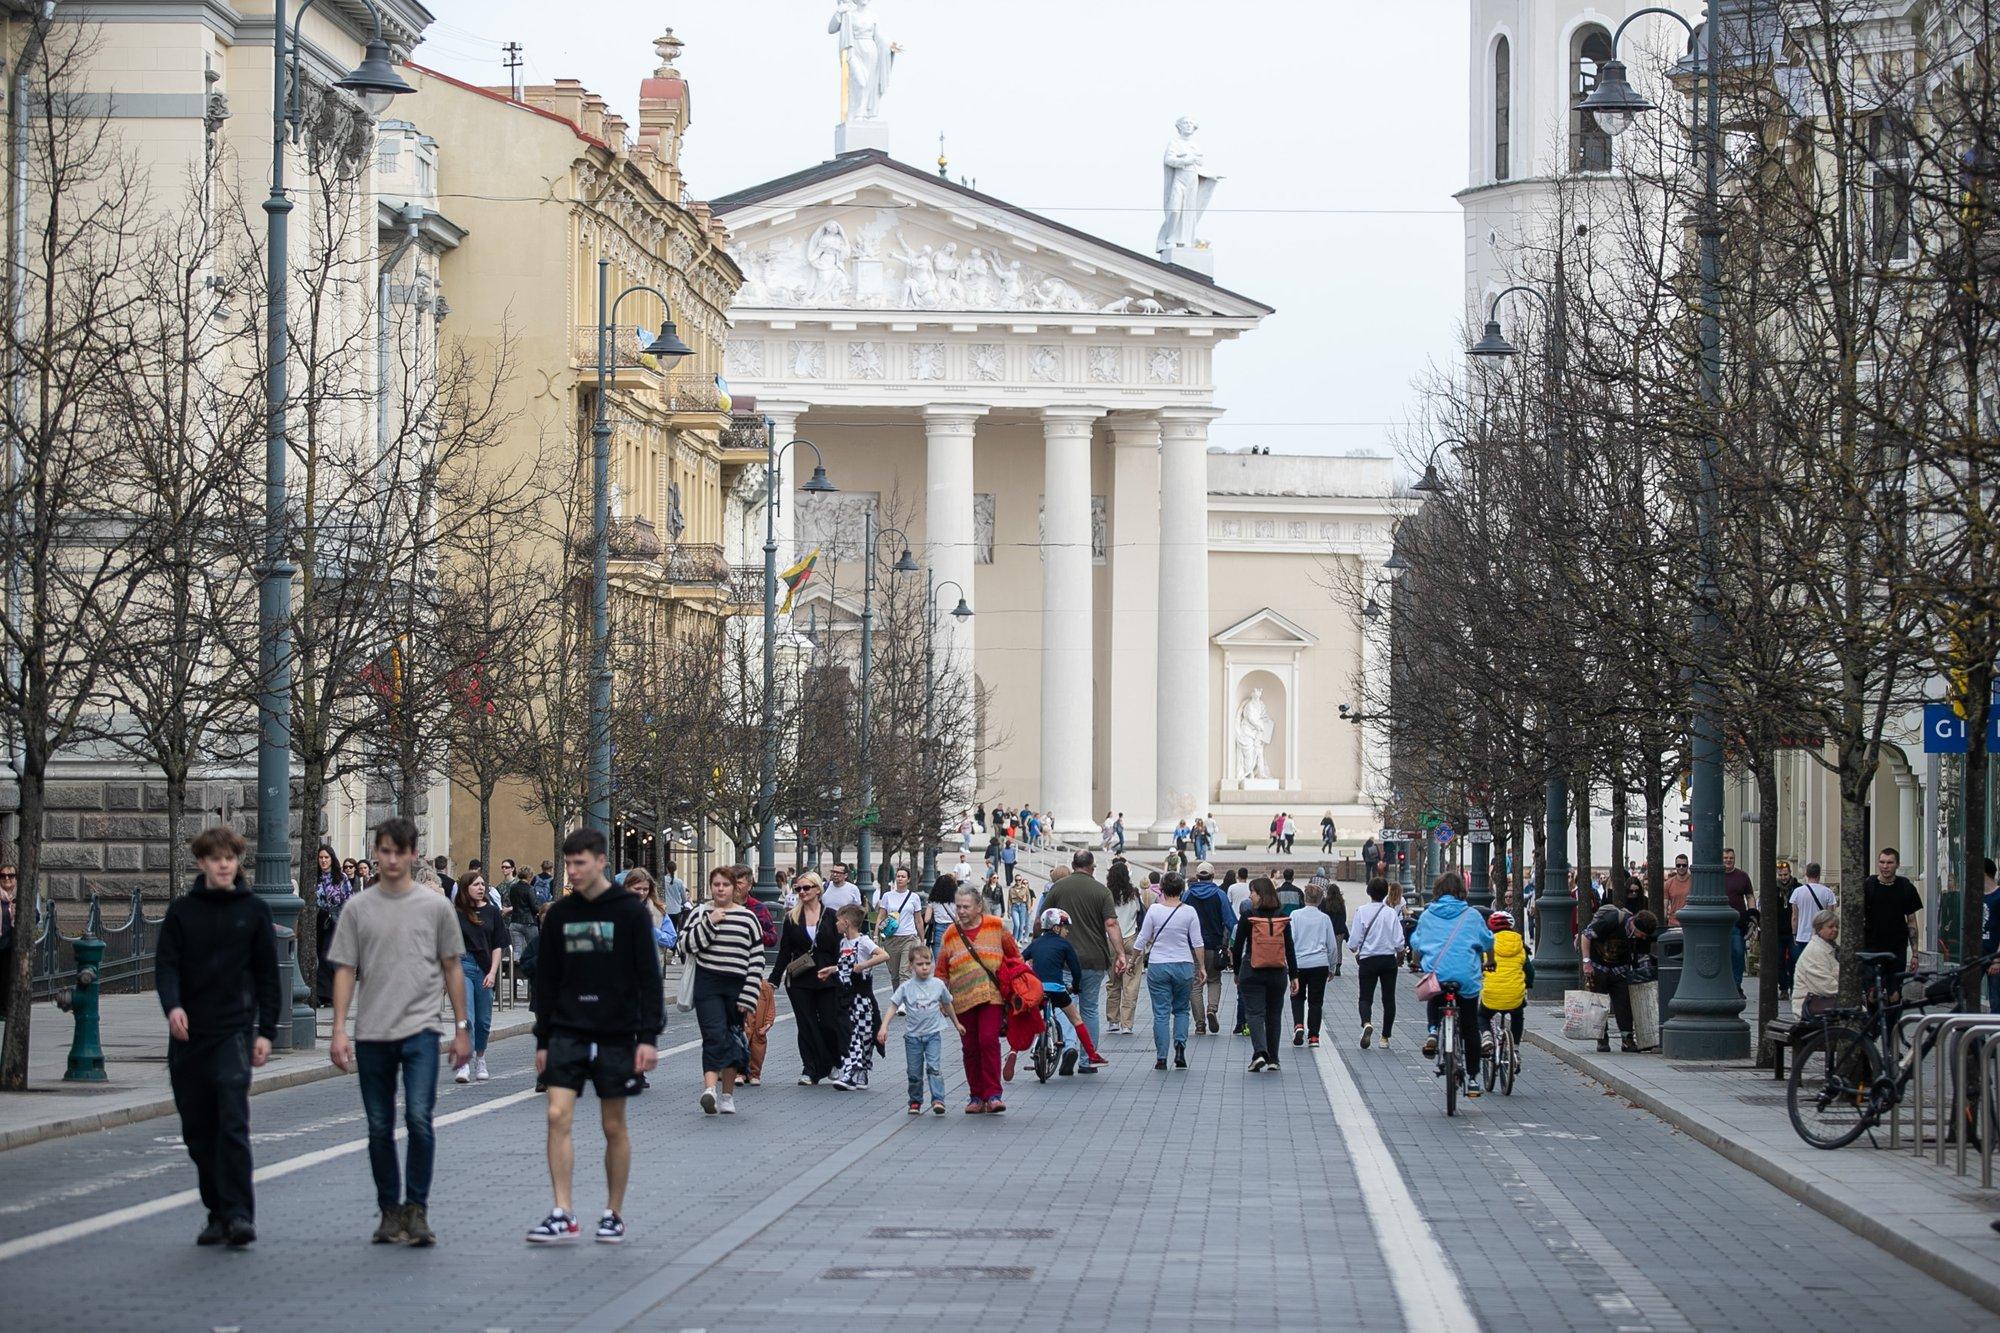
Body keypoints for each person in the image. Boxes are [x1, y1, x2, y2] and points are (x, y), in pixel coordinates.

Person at [327, 817, 470, 1247]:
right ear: (376, 852)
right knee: (378, 1124)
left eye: (398, 851)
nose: (390, 859)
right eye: (384, 851)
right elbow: (346, 970)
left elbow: (452, 967)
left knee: (419, 1119)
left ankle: (417, 1209)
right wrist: (338, 1029)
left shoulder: (436, 907)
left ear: (412, 855)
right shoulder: (357, 908)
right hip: (372, 1032)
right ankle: (389, 1210)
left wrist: (462, 1029)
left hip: (422, 1029)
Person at [525, 827, 662, 1245]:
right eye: (568, 863)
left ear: (601, 862)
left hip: (616, 1030)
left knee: (612, 1124)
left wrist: (648, 1037)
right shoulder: (561, 915)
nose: (573, 871)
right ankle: (562, 1211)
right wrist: (543, 1039)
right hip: (568, 1028)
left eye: (580, 863)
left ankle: (613, 1212)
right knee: (555, 1115)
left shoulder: (629, 911)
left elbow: (647, 977)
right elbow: (546, 980)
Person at [157, 826, 278, 1248]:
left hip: (234, 1031)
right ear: (202, 863)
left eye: (230, 857)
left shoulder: (254, 911)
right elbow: (167, 966)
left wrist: (267, 1031)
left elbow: (267, 975)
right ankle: (216, 1212)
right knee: (198, 1130)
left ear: (237, 862)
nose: (224, 864)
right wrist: (173, 1006)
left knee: (232, 1121)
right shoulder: (182, 913)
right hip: (190, 1035)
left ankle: (241, 1214)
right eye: (215, 858)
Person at [677, 867, 763, 1115]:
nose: (721, 889)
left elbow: (756, 959)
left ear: (735, 887)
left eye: (725, 884)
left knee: (731, 1037)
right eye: (716, 884)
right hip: (708, 982)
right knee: (713, 1035)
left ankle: (727, 1095)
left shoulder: (748, 918)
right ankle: (709, 1090)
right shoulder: (700, 913)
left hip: (736, 985)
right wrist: (710, 923)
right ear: (711, 888)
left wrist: (749, 995)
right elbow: (685, 945)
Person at [935, 884, 1024, 1113]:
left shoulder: (996, 926)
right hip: (962, 999)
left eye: (966, 907)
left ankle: (993, 1094)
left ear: (978, 907)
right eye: (958, 907)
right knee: (970, 1047)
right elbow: (941, 970)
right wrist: (941, 998)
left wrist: (1021, 986)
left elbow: (1015, 956)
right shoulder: (950, 933)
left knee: (988, 1041)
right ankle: (976, 1096)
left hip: (991, 995)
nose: (961, 911)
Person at [1037, 849, 1125, 1060]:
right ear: (1092, 867)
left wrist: (1037, 945)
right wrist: (1120, 953)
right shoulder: (1102, 891)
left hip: (1063, 960)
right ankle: (1088, 1058)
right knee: (1090, 1008)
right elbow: (1111, 924)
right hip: (1094, 959)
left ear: (1074, 864)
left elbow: (1041, 920)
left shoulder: (1058, 888)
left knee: (1065, 1004)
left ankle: (1069, 1046)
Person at [1410, 872, 1494, 1092]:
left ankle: (1433, 1031)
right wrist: (1491, 961)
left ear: (1437, 891)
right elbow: (1487, 941)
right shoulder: (1472, 915)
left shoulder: (1428, 915)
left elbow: (1417, 943)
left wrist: (1415, 962)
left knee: (1435, 995)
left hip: (1437, 974)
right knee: (1470, 1027)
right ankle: (1474, 1079)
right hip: (1466, 977)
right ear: (1461, 892)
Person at [771, 871, 845, 1086]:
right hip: (800, 979)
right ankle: (810, 1069)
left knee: (830, 1024)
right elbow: (785, 951)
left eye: (806, 888)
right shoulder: (792, 917)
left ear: (817, 890)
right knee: (806, 1025)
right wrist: (774, 979)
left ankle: (833, 1061)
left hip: (828, 977)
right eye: (798, 889)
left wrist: (840, 970)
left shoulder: (831, 916)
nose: (801, 892)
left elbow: (841, 947)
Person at [1017, 908, 1107, 1078]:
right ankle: (1092, 1055)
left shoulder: (1035, 943)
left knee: (1027, 1019)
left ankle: (1013, 1052)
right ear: (1056, 927)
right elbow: (1076, 970)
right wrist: (1076, 986)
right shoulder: (1065, 945)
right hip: (1057, 990)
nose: (1067, 931)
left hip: (1037, 990)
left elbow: (1020, 960)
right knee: (1076, 1020)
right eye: (1065, 927)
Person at [1131, 872, 1206, 1070]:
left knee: (1161, 1013)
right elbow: (1197, 942)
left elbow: (1142, 938)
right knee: (1181, 1010)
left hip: (1158, 965)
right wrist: (1202, 967)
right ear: (1182, 890)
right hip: (1184, 964)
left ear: (1162, 889)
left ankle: (1161, 1057)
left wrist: (1133, 960)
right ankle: (1180, 1047)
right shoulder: (1189, 911)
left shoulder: (1155, 910)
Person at [879, 945, 958, 1114]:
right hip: (913, 1037)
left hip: (933, 1035)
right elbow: (893, 1006)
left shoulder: (938, 985)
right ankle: (915, 1101)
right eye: (920, 964)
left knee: (934, 1068)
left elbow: (947, 1004)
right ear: (911, 966)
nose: (924, 967)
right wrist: (884, 1026)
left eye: (928, 963)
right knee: (914, 1072)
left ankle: (938, 1099)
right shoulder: (906, 987)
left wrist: (957, 1024)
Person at [1231, 878, 1297, 1072]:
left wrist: (1236, 971)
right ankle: (1274, 1059)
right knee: (1274, 1015)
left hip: (1252, 970)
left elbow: (1237, 948)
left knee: (1254, 1013)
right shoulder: (1282, 916)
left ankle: (1259, 1053)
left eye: (1252, 892)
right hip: (1277, 972)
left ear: (1260, 894)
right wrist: (1294, 975)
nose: (1250, 896)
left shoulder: (1248, 916)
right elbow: (1290, 948)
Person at [823, 902, 887, 1089]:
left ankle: (860, 1071)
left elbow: (883, 955)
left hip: (862, 997)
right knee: (849, 1034)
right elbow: (844, 967)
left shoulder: (863, 941)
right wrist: (832, 970)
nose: (836, 925)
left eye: (838, 921)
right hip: (845, 997)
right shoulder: (843, 943)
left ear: (846, 922)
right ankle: (851, 1071)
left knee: (864, 1035)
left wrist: (863, 966)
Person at [1580, 904, 1660, 1053]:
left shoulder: (1641, 936)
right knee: (1599, 1003)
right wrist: (1586, 963)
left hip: (1620, 969)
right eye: (1640, 934)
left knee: (1624, 1004)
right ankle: (1602, 1039)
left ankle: (1627, 1040)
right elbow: (1586, 936)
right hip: (1599, 966)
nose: (1641, 938)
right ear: (1633, 925)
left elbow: (1640, 957)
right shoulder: (1612, 920)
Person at [452, 873, 505, 1084]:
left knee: (483, 1021)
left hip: (485, 968)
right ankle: (464, 1062)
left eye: (483, 884)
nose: (481, 887)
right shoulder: (456, 913)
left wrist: (492, 972)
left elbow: (498, 944)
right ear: (466, 888)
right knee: (467, 1018)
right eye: (476, 884)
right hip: (462, 964)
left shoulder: (492, 912)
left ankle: (480, 1058)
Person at [1351, 877, 1404, 1049]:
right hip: (1388, 959)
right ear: (1385, 893)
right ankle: (1385, 1037)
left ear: (1369, 892)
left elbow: (1353, 942)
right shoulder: (1390, 913)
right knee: (1388, 998)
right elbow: (1399, 942)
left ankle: (1366, 1023)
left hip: (1368, 959)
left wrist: (1354, 948)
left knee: (1365, 997)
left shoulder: (1361, 911)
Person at [1184, 862, 1236, 1035]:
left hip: (1192, 946)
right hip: (1214, 945)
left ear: (1198, 876)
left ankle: (1200, 1024)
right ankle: (1211, 1009)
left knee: (1196, 984)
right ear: (1213, 876)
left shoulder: (1188, 894)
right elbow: (1230, 921)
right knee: (1214, 979)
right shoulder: (1219, 895)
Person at [1860, 847, 1923, 981]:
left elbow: (1911, 921)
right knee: (1872, 994)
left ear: (1897, 865)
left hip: (1897, 947)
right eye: (1882, 862)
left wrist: (1915, 955)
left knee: (1894, 995)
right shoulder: (1869, 885)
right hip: (1871, 947)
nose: (1885, 866)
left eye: (1890, 863)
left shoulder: (1905, 886)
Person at [1479, 910, 1532, 1062]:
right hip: (1515, 994)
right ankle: (1515, 1048)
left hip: (1492, 994)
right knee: (1517, 1016)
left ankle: (1487, 1035)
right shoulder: (1520, 945)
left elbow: (1478, 967)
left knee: (1482, 1015)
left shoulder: (1487, 944)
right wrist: (1528, 983)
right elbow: (1530, 971)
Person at [1288, 882, 1336, 1049]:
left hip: (1299, 963)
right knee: (1316, 1001)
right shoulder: (1324, 918)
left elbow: (1290, 941)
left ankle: (1298, 1025)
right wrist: (1332, 967)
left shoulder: (1294, 915)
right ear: (1321, 900)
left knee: (1297, 996)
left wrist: (1288, 964)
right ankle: (1314, 1036)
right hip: (1319, 963)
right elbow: (1332, 945)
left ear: (1304, 897)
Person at [1105, 859, 1146, 1034]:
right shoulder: (1133, 893)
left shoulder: (1106, 894)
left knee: (1113, 982)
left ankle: (1112, 1020)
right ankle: (1127, 1024)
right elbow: (1140, 913)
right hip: (1131, 939)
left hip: (1111, 941)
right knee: (1131, 983)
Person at [1787, 862, 1835, 1000]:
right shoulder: (1827, 892)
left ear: (1806, 874)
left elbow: (1795, 916)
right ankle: (1818, 991)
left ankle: (1805, 992)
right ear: (1819, 874)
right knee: (1820, 966)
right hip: (1820, 937)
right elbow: (1830, 916)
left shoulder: (1797, 892)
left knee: (1803, 966)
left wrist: (1794, 933)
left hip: (1802, 935)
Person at [312, 846, 354, 1007]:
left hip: (336, 921)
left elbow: (348, 900)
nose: (323, 860)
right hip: (317, 920)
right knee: (318, 956)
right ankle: (324, 994)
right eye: (321, 857)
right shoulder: (314, 877)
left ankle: (331, 994)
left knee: (327, 955)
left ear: (332, 859)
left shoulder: (341, 877)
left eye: (326, 857)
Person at [874, 865, 926, 989]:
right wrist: (876, 935)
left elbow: (918, 920)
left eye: (903, 877)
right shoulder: (887, 896)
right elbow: (881, 917)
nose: (900, 879)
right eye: (898, 876)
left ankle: (904, 1002)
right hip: (891, 939)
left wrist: (922, 939)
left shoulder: (914, 898)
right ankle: (898, 1000)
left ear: (908, 879)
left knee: (904, 972)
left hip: (909, 938)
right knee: (894, 975)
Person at [1794, 908, 1841, 1016]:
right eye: (1830, 927)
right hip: (1810, 1006)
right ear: (1819, 929)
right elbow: (1826, 986)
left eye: (1836, 927)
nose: (1835, 930)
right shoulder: (1815, 951)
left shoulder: (1830, 948)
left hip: (1822, 1002)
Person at [1721, 848, 1754, 991]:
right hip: (1719, 923)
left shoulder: (1742, 876)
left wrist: (1752, 915)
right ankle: (1724, 985)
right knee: (1722, 955)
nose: (1728, 860)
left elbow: (1750, 896)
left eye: (1731, 858)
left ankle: (1737, 984)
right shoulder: (1716, 875)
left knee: (1738, 953)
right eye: (1725, 858)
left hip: (1737, 923)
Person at [926, 872, 959, 953]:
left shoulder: (932, 900)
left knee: (939, 961)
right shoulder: (957, 900)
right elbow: (958, 919)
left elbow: (927, 919)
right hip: (953, 929)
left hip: (938, 930)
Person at [1323, 881, 1350, 976]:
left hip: (1328, 929)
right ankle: (1338, 966)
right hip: (1340, 929)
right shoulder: (1341, 902)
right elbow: (1344, 916)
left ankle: (1329, 966)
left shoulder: (1325, 902)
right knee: (1338, 948)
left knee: (1328, 948)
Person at [660, 860, 688, 935]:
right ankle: (674, 945)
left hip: (666, 910)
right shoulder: (679, 882)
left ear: (666, 869)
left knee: (665, 930)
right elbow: (684, 899)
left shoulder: (662, 880)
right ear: (675, 869)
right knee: (675, 930)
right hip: (676, 910)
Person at [1663, 854, 1691, 926]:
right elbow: (1665, 907)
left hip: (1690, 922)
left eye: (1684, 865)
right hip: (1673, 923)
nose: (1681, 867)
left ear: (1687, 866)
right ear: (1675, 866)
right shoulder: (1668, 884)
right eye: (1678, 865)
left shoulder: (1694, 882)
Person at [1007, 872, 1033, 940]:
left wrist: (1029, 908)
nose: (1018, 881)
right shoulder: (1011, 889)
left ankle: (1018, 940)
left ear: (1021, 880)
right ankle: (1014, 940)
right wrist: (1008, 911)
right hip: (1014, 907)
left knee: (1021, 926)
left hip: (1023, 906)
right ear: (1015, 880)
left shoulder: (1025, 888)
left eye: (1019, 880)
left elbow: (1028, 899)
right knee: (1017, 925)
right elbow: (1009, 900)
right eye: (1016, 880)